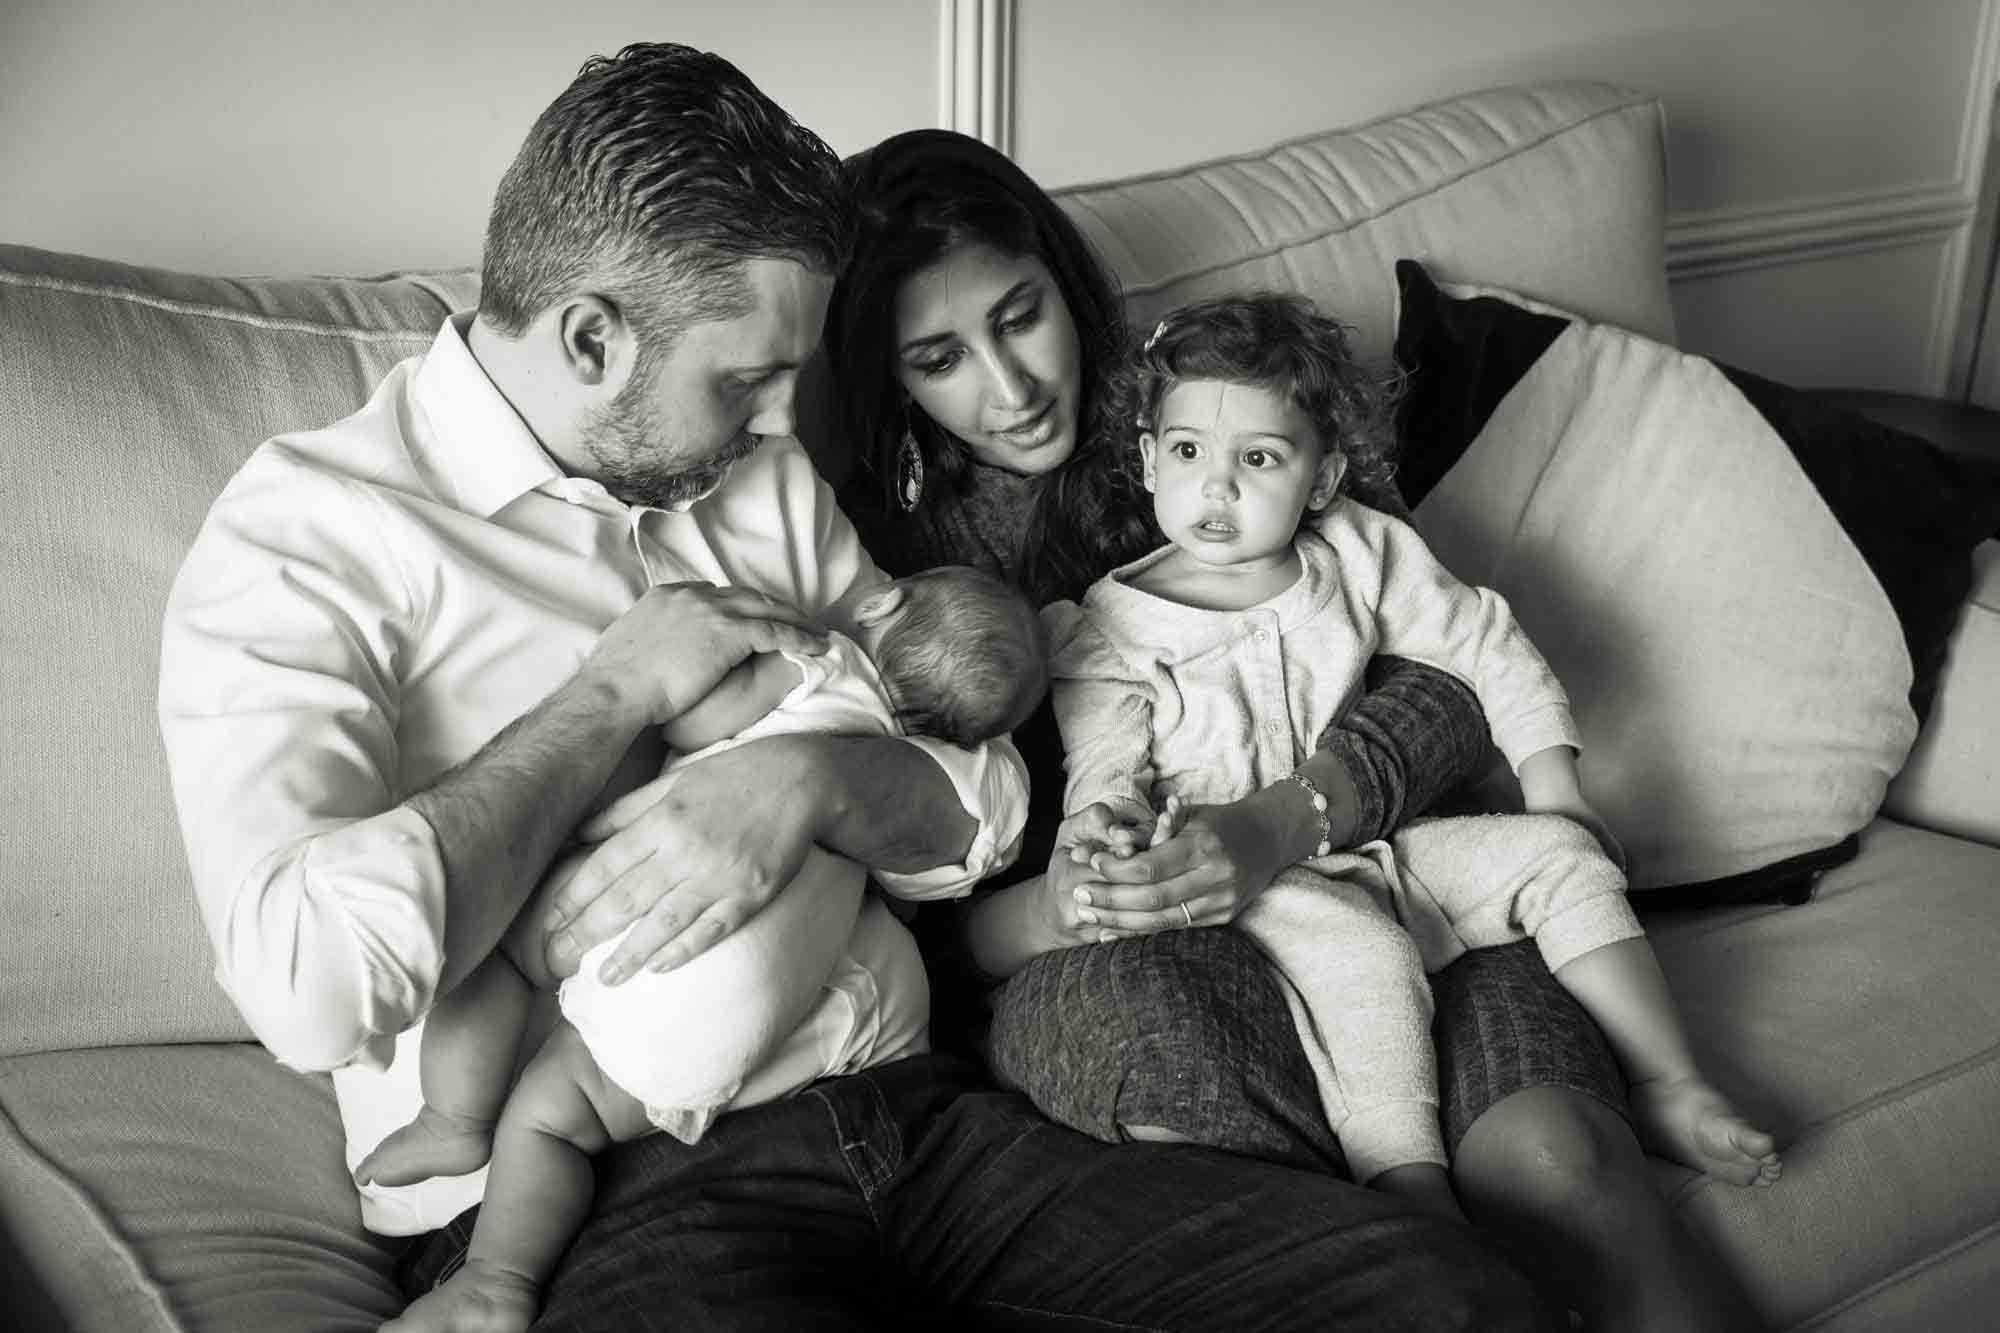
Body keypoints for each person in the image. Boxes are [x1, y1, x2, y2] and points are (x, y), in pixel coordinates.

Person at [158, 42, 1552, 1332]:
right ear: (592, 339)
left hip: (916, 1112)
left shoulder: (755, 484)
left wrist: (811, 780)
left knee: (1437, 1293)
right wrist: (607, 703)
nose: (782, 427)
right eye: (749, 380)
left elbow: (986, 800)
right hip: (599, 1174)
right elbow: (307, 987)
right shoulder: (310, 540)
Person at [826, 126, 1768, 1329]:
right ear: (889, 378)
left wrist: (1287, 817)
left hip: (1390, 870)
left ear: (1064, 280)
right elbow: (914, 930)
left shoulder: (1222, 410)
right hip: (1117, 966)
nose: (1007, 389)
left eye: (1020, 317)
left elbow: (1447, 677)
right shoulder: (882, 575)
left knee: (1563, 1172)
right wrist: (1068, 902)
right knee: (1283, 1210)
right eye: (939, 357)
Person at [1041, 291, 1783, 1222]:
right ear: (1149, 457)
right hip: (1253, 892)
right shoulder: (1107, 629)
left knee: (1563, 855)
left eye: (1259, 458)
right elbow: (1100, 773)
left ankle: (1669, 1080)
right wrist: (1104, 834)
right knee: (1368, 953)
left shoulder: (1360, 550)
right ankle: (1411, 1188)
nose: (1217, 488)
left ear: (1322, 478)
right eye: (1188, 452)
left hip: (1386, 844)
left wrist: (1555, 783)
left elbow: (1483, 643)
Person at [356, 566, 1048, 1332]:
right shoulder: (907, 762)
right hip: (728, 1041)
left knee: (506, 967)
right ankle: (490, 1277)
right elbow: (922, 878)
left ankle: (457, 1132)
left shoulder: (817, 657)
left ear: (881, 601)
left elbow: (688, 722)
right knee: (553, 1117)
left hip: (650, 941)